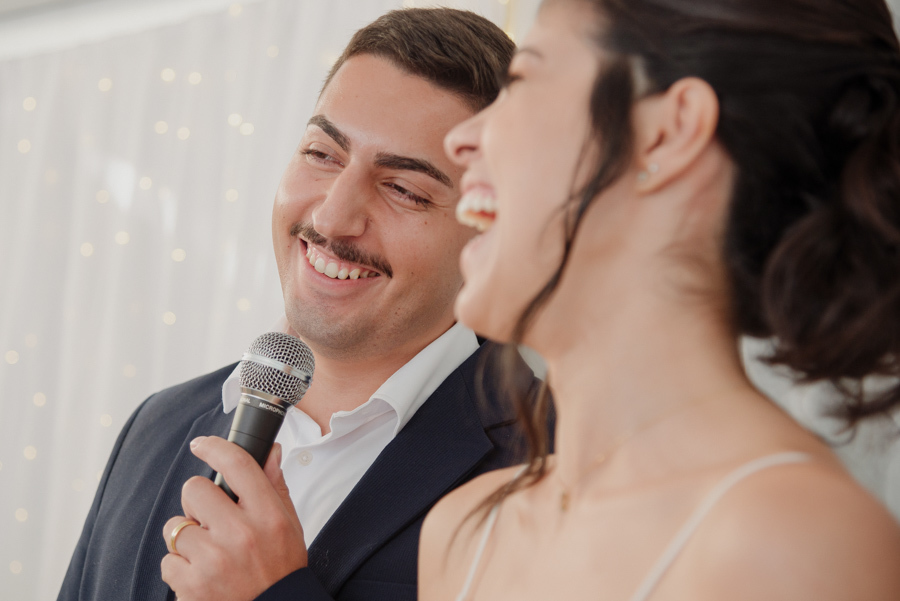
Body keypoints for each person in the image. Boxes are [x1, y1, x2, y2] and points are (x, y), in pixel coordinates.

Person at [420, 0, 900, 599]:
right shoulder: (467, 531)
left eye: (520, 80)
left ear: (668, 133)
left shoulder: (792, 540)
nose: (460, 139)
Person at [57, 8, 539, 601]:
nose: (333, 216)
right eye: (322, 154)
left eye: (405, 189)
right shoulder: (156, 425)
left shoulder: (552, 472)